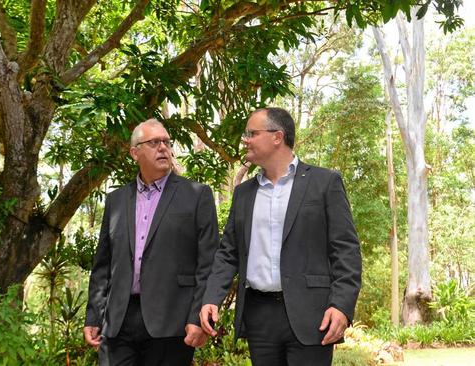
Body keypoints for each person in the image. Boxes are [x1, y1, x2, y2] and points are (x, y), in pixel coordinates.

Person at [199, 107, 362, 365]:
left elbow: (346, 251)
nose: (245, 140)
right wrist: (211, 298)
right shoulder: (244, 193)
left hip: (312, 315)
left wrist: (341, 305)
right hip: (259, 316)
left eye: (252, 133)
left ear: (277, 137)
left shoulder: (324, 183)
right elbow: (228, 253)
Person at [84, 119, 219, 365]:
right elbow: (102, 264)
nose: (163, 148)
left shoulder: (197, 195)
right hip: (118, 322)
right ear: (135, 152)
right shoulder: (117, 200)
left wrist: (196, 317)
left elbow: (207, 264)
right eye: (154, 142)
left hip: (171, 322)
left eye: (167, 142)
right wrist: (94, 316)